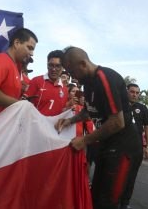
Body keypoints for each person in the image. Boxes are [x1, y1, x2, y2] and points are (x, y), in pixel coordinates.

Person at [55, 47, 142, 209]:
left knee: (108, 201)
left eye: (71, 70)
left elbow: (117, 122)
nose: (71, 75)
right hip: (107, 147)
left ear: (82, 64)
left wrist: (85, 140)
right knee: (95, 196)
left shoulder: (104, 78)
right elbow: (90, 111)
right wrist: (71, 120)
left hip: (124, 149)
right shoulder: (88, 84)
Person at [119, 83, 148, 209]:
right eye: (132, 91)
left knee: (131, 177)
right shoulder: (119, 105)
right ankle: (111, 201)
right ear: (126, 91)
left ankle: (124, 203)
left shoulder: (142, 108)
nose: (135, 94)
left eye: (137, 93)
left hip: (136, 149)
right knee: (116, 174)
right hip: (119, 147)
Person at [23, 50, 69, 116]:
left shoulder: (65, 90)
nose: (53, 69)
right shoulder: (36, 81)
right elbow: (24, 105)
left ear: (63, 67)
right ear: (47, 65)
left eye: (57, 66)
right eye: (51, 65)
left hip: (53, 126)